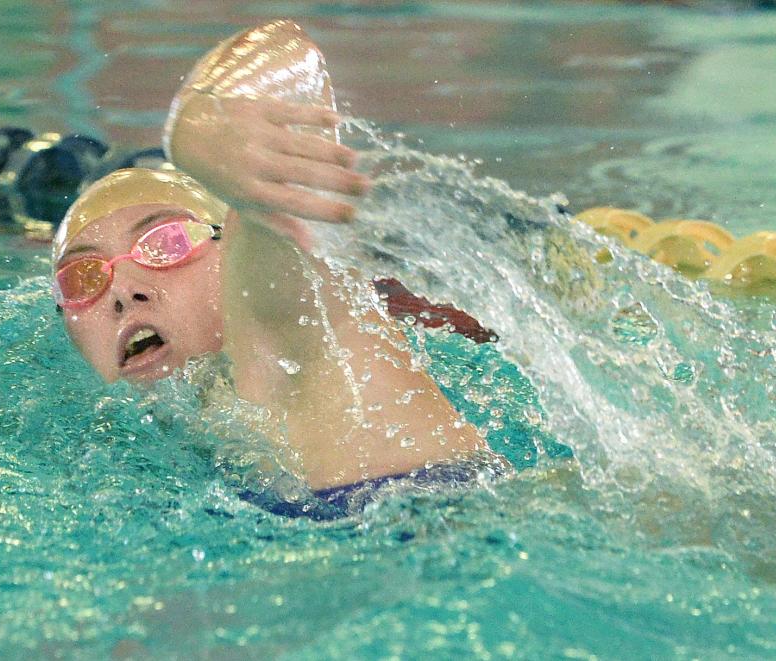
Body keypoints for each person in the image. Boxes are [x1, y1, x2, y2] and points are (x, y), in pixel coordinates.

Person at [53, 21, 507, 517]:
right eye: (84, 278)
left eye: (166, 242)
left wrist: (203, 122)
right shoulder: (202, 429)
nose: (123, 290)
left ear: (233, 247)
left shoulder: (292, 339)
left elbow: (287, 57)